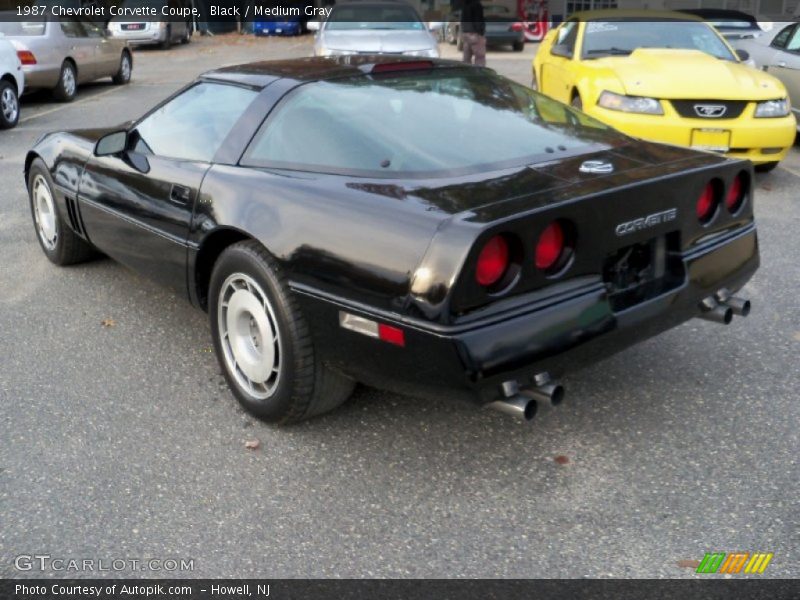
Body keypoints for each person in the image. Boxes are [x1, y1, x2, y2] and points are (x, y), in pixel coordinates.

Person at [460, 0, 486, 66]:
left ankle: (466, 73)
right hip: (474, 33)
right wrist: (480, 33)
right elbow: (478, 19)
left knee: (466, 57)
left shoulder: (465, 4)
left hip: (466, 33)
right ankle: (479, 74)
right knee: (480, 57)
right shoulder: (476, 4)